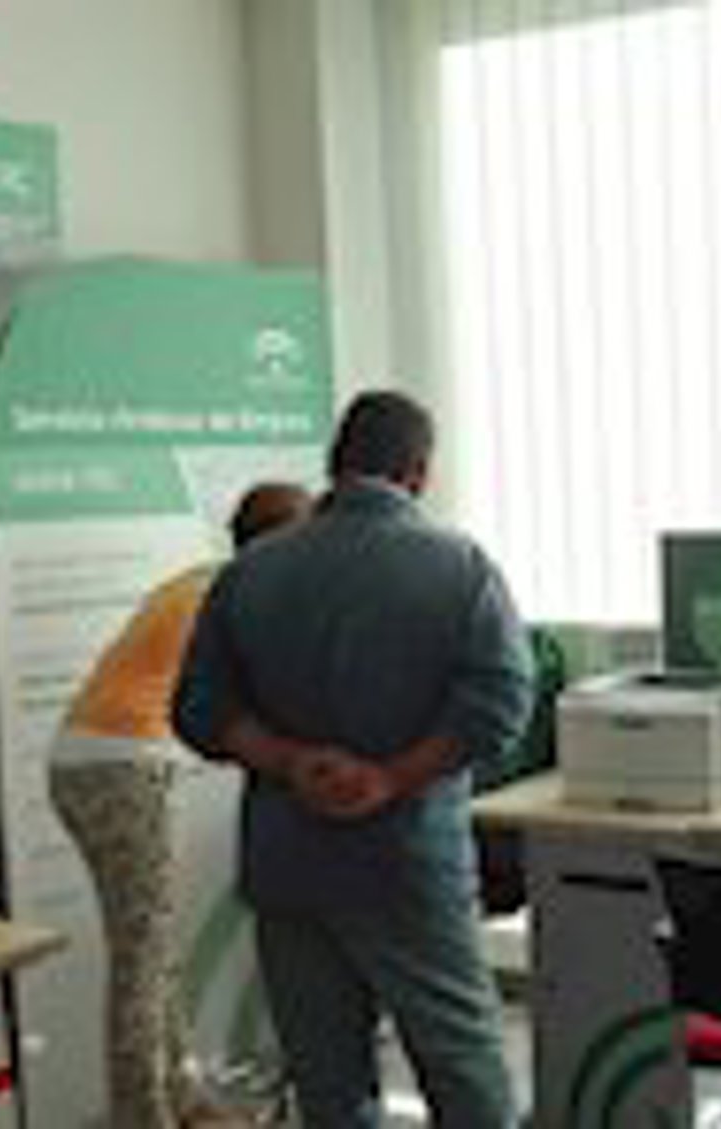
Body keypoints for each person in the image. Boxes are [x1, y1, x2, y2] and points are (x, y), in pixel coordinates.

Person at [173, 390, 533, 1129]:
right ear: (419, 472)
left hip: (289, 869)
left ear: (334, 463)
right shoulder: (460, 566)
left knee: (330, 1087)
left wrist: (290, 762)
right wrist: (390, 778)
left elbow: (198, 710)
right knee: (463, 1072)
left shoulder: (251, 571)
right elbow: (501, 705)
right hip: (407, 866)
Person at [49, 480, 313, 1129]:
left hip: (101, 760)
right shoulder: (232, 600)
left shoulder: (205, 583)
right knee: (141, 956)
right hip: (118, 767)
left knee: (155, 940)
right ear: (279, 545)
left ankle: (184, 1096)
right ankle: (142, 1115)